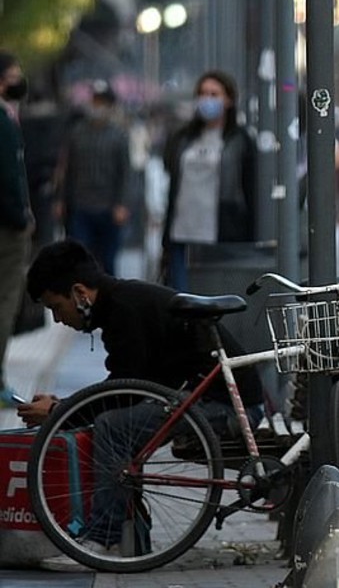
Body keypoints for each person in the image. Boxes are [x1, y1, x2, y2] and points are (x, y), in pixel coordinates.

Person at [18, 240, 264, 570]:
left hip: (227, 408)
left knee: (113, 427)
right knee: (117, 422)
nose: (58, 319)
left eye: (56, 307)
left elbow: (123, 394)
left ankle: (107, 539)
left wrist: (58, 411)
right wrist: (65, 408)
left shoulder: (124, 310)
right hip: (202, 399)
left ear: (80, 293)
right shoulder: (122, 303)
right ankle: (128, 533)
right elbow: (126, 391)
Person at [161, 70, 257, 290]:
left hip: (223, 234)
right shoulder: (182, 138)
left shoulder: (240, 140)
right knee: (183, 299)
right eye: (203, 93)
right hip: (182, 234)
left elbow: (250, 189)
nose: (207, 99)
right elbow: (173, 184)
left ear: (229, 100)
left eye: (214, 94)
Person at [59, 80, 131, 276]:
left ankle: (107, 303)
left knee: (108, 261)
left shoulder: (119, 136)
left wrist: (122, 204)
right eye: (95, 101)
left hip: (109, 208)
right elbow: (68, 169)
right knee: (79, 260)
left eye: (101, 102)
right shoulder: (77, 133)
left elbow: (125, 172)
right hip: (81, 206)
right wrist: (61, 200)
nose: (97, 106)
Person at [0, 50, 32, 408]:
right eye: (13, 73)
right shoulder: (4, 122)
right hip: (5, 228)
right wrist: (22, 218)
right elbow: (9, 178)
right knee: (4, 301)